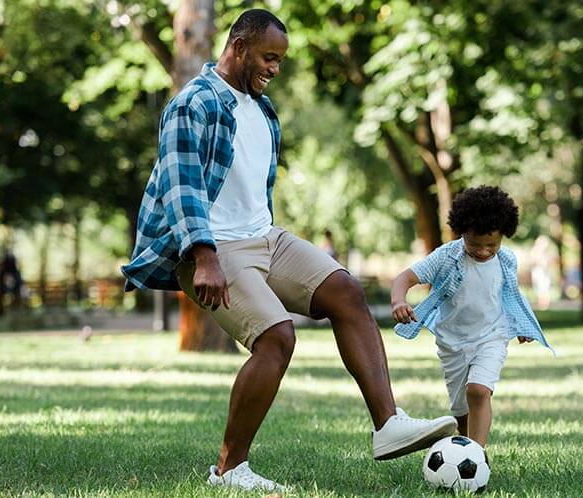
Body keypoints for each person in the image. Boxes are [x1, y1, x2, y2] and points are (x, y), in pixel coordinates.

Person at [121, 9, 456, 492]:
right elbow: (182, 187)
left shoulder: (261, 107)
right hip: (213, 248)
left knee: (346, 291)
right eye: (268, 57)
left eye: (279, 60)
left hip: (264, 237)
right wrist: (205, 256)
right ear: (238, 47)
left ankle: (388, 425)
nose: (275, 68)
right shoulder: (193, 104)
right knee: (277, 338)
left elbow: (250, 188)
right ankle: (228, 470)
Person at [390, 186, 554, 447]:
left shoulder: (506, 259)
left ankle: (477, 455)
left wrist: (521, 324)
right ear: (462, 231)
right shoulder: (446, 256)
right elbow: (405, 278)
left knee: (478, 392)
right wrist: (399, 300)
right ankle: (464, 451)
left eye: (492, 244)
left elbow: (511, 294)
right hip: (452, 342)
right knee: (461, 411)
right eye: (475, 244)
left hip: (491, 336)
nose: (484, 251)